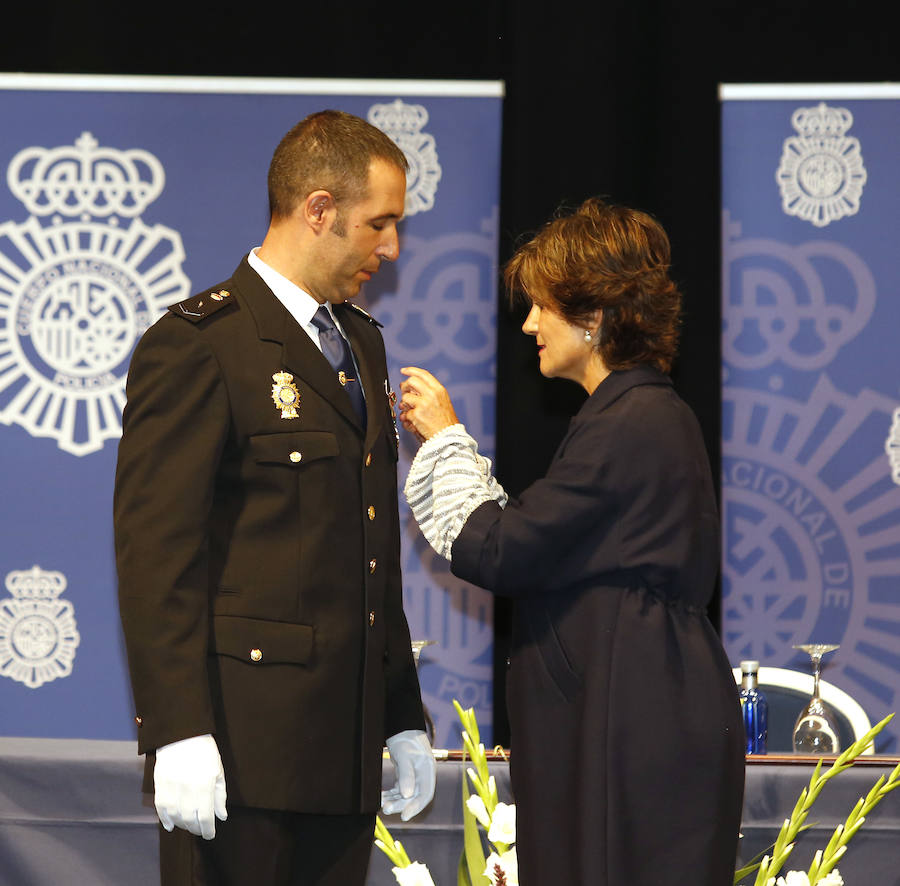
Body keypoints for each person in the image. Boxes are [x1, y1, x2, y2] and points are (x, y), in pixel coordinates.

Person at [114, 110, 435, 886]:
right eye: (378, 224)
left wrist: (397, 713)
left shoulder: (361, 341)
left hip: (343, 756)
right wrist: (179, 731)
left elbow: (369, 547)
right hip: (239, 757)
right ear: (318, 210)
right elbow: (159, 559)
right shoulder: (200, 343)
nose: (389, 248)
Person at [399, 198, 745, 885]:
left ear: (593, 316)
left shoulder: (633, 419)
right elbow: (536, 537)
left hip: (632, 716)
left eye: (542, 306)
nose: (529, 324)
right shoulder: (630, 413)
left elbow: (506, 549)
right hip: (633, 704)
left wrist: (444, 440)